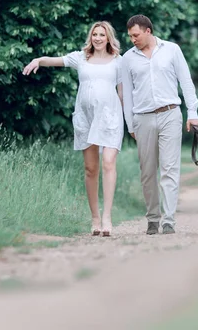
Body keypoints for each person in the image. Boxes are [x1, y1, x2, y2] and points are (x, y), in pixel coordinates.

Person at [22, 21, 124, 237]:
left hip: (110, 118)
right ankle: (95, 218)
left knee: (108, 163)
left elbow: (124, 94)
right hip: (86, 119)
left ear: (108, 38)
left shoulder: (118, 61)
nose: (97, 38)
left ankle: (107, 217)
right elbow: (55, 61)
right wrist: (38, 60)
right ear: (91, 36)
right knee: (90, 168)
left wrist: (131, 122)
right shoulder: (81, 58)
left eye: (101, 35)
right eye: (94, 34)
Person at [121, 14, 198, 235]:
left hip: (170, 114)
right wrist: (130, 125)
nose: (132, 39)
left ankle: (168, 220)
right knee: (147, 172)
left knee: (169, 169)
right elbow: (127, 94)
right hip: (143, 118)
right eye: (130, 36)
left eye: (135, 35)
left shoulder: (172, 50)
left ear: (148, 31)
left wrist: (192, 113)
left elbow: (186, 81)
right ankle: (153, 218)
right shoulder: (127, 58)